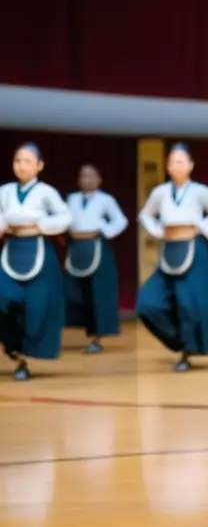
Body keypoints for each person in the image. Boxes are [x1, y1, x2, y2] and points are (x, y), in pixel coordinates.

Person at [136, 143, 208, 372]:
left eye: (180, 161)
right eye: (172, 161)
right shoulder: (160, 192)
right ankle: (179, 340)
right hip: (169, 248)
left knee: (190, 304)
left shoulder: (200, 191)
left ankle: (187, 352)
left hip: (193, 247)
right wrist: (158, 230)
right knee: (147, 303)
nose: (175, 165)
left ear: (190, 165)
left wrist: (200, 227)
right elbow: (145, 215)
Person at [0, 143, 72, 381]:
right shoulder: (5, 191)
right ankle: (12, 348)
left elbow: (65, 217)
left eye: (28, 161)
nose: (21, 166)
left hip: (39, 251)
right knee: (4, 300)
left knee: (38, 306)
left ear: (40, 166)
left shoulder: (46, 192)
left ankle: (23, 357)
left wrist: (40, 225)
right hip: (11, 250)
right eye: (17, 160)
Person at [64, 163, 129, 354]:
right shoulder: (71, 199)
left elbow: (121, 221)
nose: (88, 180)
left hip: (97, 247)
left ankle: (97, 337)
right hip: (76, 248)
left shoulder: (105, 200)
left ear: (99, 180)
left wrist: (103, 232)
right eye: (84, 176)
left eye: (92, 176)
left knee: (98, 294)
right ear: (79, 180)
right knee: (72, 291)